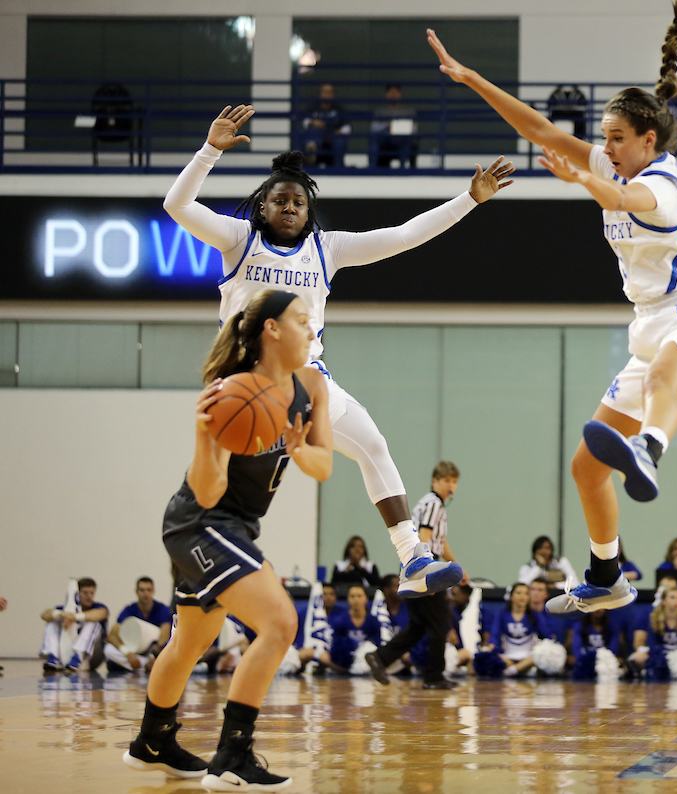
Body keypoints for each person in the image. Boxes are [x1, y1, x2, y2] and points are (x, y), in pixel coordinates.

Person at [428, 1, 677, 617]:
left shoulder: (665, 189)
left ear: (648, 141)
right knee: (588, 465)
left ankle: (650, 447)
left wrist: (585, 182)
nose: (605, 147)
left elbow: (622, 195)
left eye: (616, 138)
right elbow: (540, 130)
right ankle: (606, 574)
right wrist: (472, 80)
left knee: (664, 380)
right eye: (604, 138)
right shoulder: (613, 160)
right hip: (648, 325)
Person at [163, 104, 512, 603]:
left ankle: (412, 555)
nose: (289, 208)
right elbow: (178, 205)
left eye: (298, 203)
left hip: (306, 381)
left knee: (373, 445)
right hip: (246, 381)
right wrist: (209, 151)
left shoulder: (327, 249)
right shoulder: (238, 239)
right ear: (262, 207)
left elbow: (404, 236)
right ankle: (196, 574)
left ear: (309, 211)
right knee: (219, 491)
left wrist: (469, 200)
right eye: (279, 201)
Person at [121, 288, 333, 789]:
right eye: (301, 320)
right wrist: (202, 438)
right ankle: (232, 756)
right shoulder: (228, 391)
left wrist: (299, 448)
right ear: (272, 330)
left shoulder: (312, 387)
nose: (311, 328)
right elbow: (209, 487)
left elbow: (322, 466)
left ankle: (153, 742)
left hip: (233, 526)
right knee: (280, 622)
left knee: (192, 640)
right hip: (199, 521)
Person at [365, 461, 464, 690]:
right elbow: (425, 536)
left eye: (454, 481)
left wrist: (457, 565)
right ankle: (434, 676)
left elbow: (441, 541)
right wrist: (427, 574)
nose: (451, 485)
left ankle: (380, 658)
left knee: (419, 625)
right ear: (435, 481)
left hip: (414, 564)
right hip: (423, 566)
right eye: (447, 480)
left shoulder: (431, 504)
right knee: (440, 622)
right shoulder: (433, 504)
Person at [628, 584, 677, 677]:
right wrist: (665, 656)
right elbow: (652, 643)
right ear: (664, 601)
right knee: (638, 657)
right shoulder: (654, 618)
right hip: (659, 653)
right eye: (672, 597)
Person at [40, 577, 109, 673]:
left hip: (92, 655)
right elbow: (44, 614)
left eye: (92, 593)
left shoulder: (98, 607)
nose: (89, 596)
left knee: (94, 624)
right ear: (77, 594)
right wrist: (61, 614)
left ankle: (78, 656)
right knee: (53, 622)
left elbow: (101, 614)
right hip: (67, 651)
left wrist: (74, 617)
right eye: (85, 593)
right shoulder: (65, 609)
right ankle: (53, 656)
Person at [105, 577, 173, 673]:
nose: (146, 593)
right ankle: (145, 666)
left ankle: (145, 665)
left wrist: (154, 656)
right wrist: (127, 653)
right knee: (108, 650)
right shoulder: (129, 610)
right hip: (134, 651)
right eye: (142, 590)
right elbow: (112, 635)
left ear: (153, 591)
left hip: (154, 651)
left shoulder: (162, 609)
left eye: (148, 590)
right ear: (136, 592)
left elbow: (164, 635)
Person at [319, 584, 384, 674]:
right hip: (346, 659)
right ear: (348, 599)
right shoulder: (340, 620)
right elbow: (336, 647)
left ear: (366, 599)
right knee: (323, 656)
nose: (356, 600)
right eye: (352, 596)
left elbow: (377, 644)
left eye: (359, 596)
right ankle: (349, 671)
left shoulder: (373, 621)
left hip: (367, 658)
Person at [483, 583, 540, 677]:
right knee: (488, 656)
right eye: (519, 593)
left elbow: (547, 635)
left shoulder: (535, 615)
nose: (522, 596)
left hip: (528, 656)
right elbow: (494, 634)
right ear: (511, 596)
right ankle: (520, 669)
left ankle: (511, 671)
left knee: (541, 656)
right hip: (508, 656)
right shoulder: (501, 614)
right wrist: (491, 646)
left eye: (526, 594)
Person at [300, 83, 351, 167]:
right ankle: (311, 154)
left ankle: (337, 169)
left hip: (333, 140)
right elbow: (304, 122)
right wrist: (313, 122)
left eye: (330, 92)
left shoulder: (339, 109)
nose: (328, 95)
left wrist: (339, 131)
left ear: (333, 94)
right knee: (312, 134)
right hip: (317, 139)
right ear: (321, 94)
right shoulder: (312, 108)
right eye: (325, 92)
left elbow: (348, 127)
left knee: (339, 141)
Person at [371, 84, 419, 168]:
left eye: (395, 92)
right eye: (391, 92)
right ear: (386, 95)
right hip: (386, 142)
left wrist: (402, 126)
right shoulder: (380, 112)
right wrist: (388, 125)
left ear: (400, 94)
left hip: (403, 141)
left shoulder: (408, 111)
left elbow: (414, 128)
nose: (393, 95)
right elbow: (374, 128)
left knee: (408, 143)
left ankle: (404, 169)